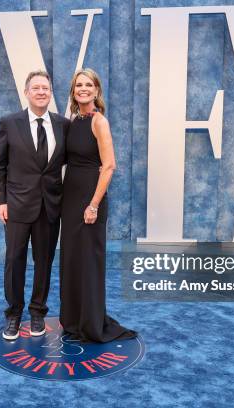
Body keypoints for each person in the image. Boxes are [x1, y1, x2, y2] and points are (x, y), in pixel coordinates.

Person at [59, 68, 137, 343]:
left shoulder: (98, 121)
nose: (83, 88)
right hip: (70, 201)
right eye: (78, 85)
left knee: (89, 263)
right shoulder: (73, 120)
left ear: (96, 90)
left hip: (90, 201)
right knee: (71, 260)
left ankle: (90, 325)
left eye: (88, 84)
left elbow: (109, 166)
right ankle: (72, 323)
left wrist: (93, 205)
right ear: (73, 91)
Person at [0, 70, 69, 340]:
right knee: (14, 261)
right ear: (26, 92)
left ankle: (38, 312)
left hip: (50, 206)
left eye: (45, 88)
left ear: (50, 92)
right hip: (16, 206)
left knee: (44, 262)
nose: (41, 92)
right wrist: (1, 201)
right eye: (35, 87)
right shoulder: (9, 123)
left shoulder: (63, 125)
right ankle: (13, 315)